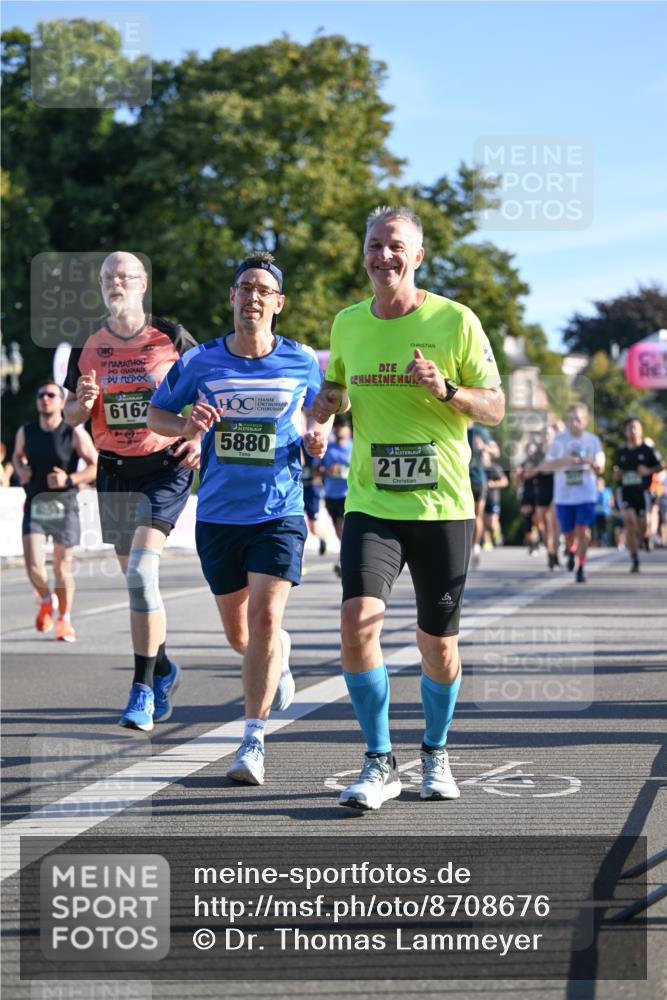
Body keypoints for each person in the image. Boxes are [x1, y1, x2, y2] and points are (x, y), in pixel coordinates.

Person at [311, 205, 504, 811]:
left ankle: (436, 751)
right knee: (356, 623)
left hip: (443, 505)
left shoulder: (456, 320)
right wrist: (325, 407)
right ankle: (378, 760)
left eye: (396, 246)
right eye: (374, 244)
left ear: (417, 257)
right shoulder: (346, 323)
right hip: (372, 503)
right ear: (363, 252)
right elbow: (337, 389)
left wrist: (445, 388)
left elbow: (496, 407)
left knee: (436, 645)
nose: (383, 255)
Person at [147, 251, 331, 786]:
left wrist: (318, 436)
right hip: (221, 515)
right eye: (244, 287)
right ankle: (280, 659)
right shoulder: (200, 361)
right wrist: (185, 423)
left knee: (265, 620)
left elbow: (324, 411)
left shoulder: (300, 360)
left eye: (262, 289)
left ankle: (252, 741)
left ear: (278, 303)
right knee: (240, 633)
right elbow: (157, 414)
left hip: (279, 510)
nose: (252, 296)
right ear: (232, 298)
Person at [64, 251, 200, 729]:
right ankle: (163, 669)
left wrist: (198, 436)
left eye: (124, 276)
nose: (115, 283)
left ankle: (141, 689)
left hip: (164, 467)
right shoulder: (88, 341)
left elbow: (210, 389)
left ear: (143, 284)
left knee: (142, 575)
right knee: (137, 585)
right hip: (114, 471)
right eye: (107, 276)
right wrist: (81, 405)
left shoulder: (172, 336)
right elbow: (69, 415)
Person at [12, 381, 97, 640]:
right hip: (36, 504)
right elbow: (17, 456)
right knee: (33, 565)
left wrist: (69, 480)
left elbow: (95, 465)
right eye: (41, 395)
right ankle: (47, 600)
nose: (45, 399)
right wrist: (21, 468)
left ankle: (64, 620)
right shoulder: (26, 431)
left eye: (51, 395)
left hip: (65, 507)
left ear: (61, 402)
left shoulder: (72, 432)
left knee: (62, 568)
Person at [540, 403, 605, 583]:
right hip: (564, 496)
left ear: (585, 420)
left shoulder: (592, 440)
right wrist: (566, 460)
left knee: (582, 531)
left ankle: (581, 566)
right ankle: (571, 549)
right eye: (571, 419)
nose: (574, 422)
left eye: (578, 419)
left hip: (586, 494)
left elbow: (600, 464)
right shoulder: (559, 441)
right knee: (568, 534)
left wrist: (594, 463)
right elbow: (546, 466)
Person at [612, 417, 663, 572]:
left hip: (643, 493)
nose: (633, 431)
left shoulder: (647, 450)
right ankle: (634, 557)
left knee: (642, 525)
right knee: (628, 522)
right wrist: (617, 475)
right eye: (630, 428)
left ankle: (646, 537)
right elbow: (615, 475)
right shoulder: (621, 452)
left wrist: (647, 471)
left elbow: (661, 466)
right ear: (626, 432)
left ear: (641, 430)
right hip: (626, 492)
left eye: (636, 427)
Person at [320, 418, 353, 576]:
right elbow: (317, 469)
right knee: (339, 531)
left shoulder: (355, 447)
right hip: (330, 494)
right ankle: (347, 555)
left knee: (343, 526)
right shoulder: (328, 448)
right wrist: (327, 471)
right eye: (337, 427)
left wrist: (345, 471)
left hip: (348, 495)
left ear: (349, 430)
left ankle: (345, 561)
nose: (339, 430)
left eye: (343, 427)